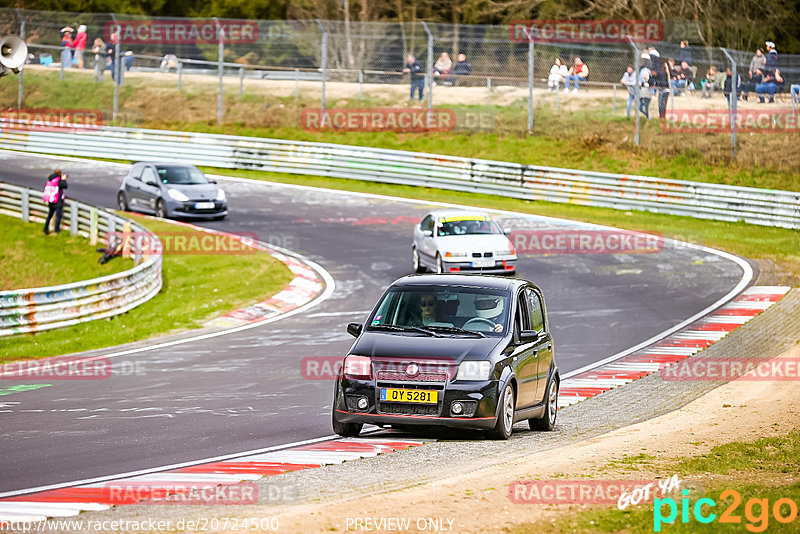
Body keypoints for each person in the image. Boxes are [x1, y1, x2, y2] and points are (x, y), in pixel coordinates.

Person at [43, 169, 68, 235]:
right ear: (60, 174)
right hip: (57, 201)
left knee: (49, 215)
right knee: (58, 216)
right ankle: (57, 230)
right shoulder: (58, 180)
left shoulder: (50, 179)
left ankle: (45, 229)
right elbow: (65, 186)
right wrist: (63, 179)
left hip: (51, 201)